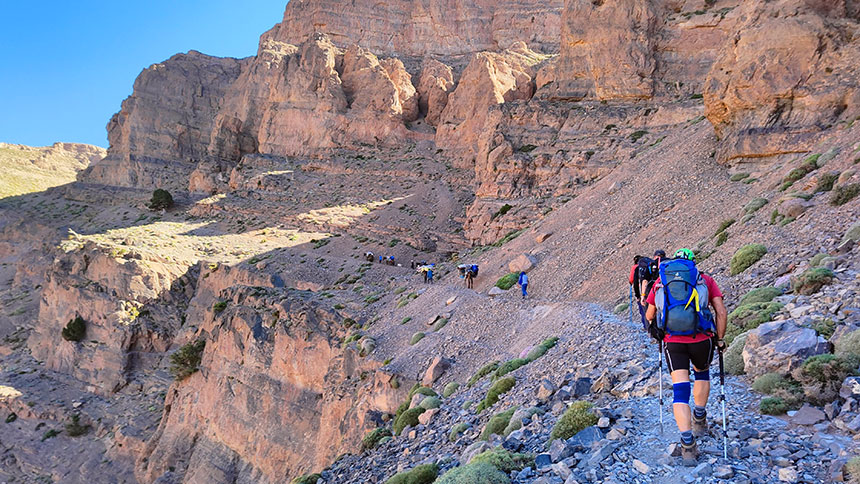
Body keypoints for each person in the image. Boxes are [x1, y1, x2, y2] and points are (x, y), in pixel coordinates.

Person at [645, 248, 727, 466]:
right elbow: (721, 311)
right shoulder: (705, 280)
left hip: (673, 342)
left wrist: (657, 331)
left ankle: (688, 444)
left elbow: (649, 314)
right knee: (702, 373)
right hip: (701, 339)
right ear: (693, 264)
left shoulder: (662, 282)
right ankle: (699, 417)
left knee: (680, 390)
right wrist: (719, 339)